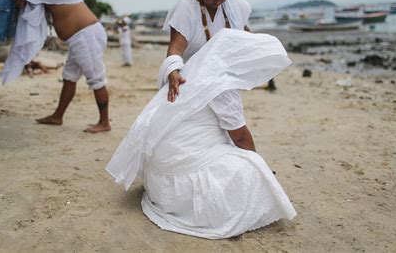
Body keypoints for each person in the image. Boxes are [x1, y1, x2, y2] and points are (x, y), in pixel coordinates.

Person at [106, 29, 296, 239]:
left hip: (160, 175)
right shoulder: (222, 86)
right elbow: (241, 137)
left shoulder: (192, 71)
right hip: (178, 174)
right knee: (251, 167)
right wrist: (256, 162)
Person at [0, 0, 111, 133]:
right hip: (80, 37)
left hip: (86, 35)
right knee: (69, 77)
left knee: (96, 78)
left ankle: (104, 122)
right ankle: (57, 116)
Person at [159, 0, 255, 100]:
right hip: (190, 79)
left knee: (234, 121)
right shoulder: (185, 8)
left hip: (223, 78)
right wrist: (173, 71)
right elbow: (176, 48)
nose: (217, 2)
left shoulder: (238, 6)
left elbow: (244, 32)